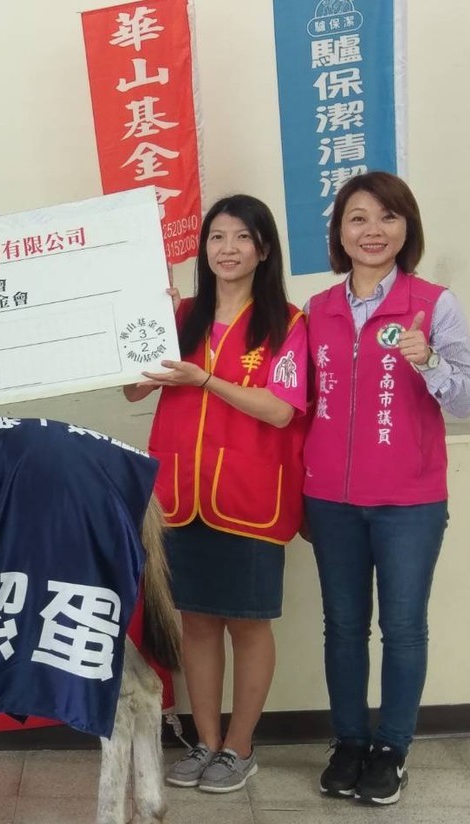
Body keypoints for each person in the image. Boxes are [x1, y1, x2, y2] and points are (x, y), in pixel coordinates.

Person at [126, 195, 308, 793]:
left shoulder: (286, 322)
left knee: (248, 625)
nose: (227, 249)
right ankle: (205, 741)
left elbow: (280, 410)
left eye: (242, 237)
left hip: (250, 496)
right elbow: (133, 390)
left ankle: (240, 747)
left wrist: (205, 379)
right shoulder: (181, 315)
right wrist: (138, 324)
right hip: (179, 495)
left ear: (263, 249)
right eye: (217, 237)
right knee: (196, 622)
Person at [304, 171, 470, 805]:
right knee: (343, 627)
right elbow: (299, 399)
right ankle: (349, 742)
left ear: (407, 228)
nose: (372, 230)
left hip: (410, 503)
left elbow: (464, 399)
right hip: (331, 499)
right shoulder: (316, 310)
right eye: (358, 218)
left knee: (402, 628)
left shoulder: (434, 303)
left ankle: (392, 749)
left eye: (387, 217)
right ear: (339, 232)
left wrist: (430, 361)